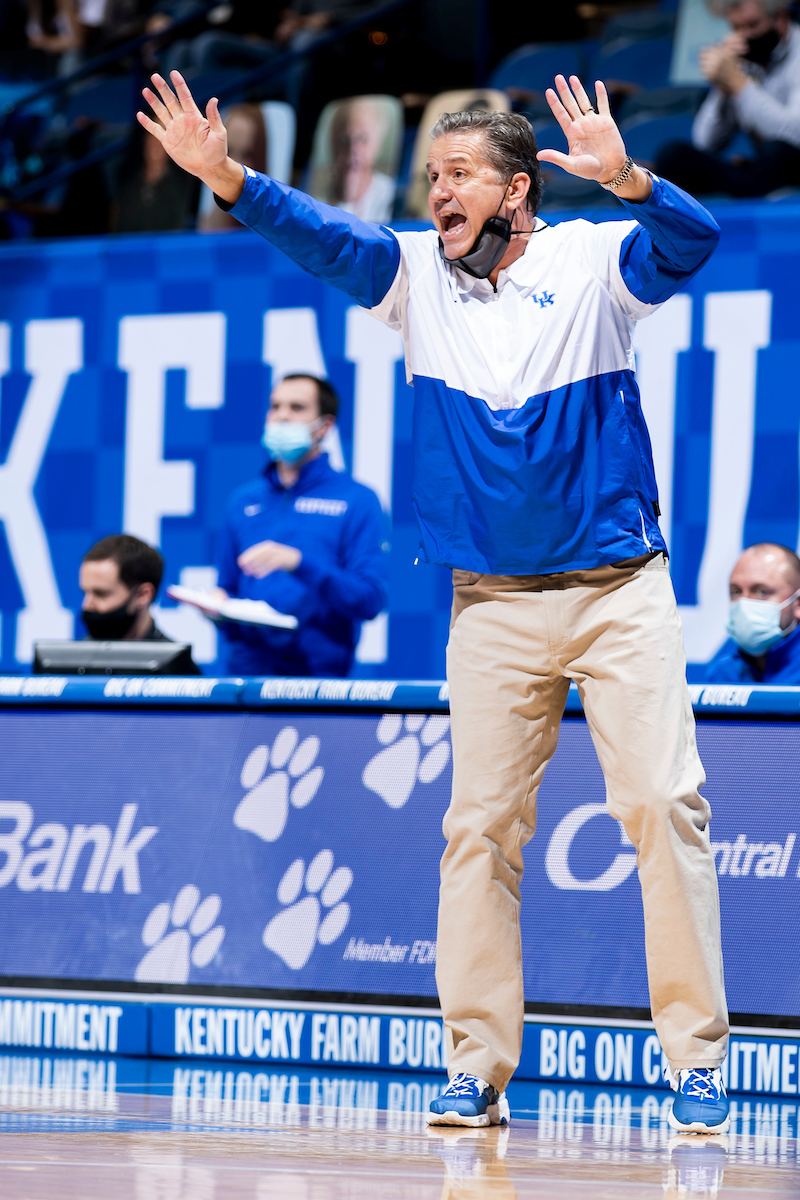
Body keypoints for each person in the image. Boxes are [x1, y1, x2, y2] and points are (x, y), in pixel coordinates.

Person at [138, 69, 730, 1134]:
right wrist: (223, 174)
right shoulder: (416, 276)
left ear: (514, 193)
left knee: (659, 809)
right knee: (477, 834)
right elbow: (319, 234)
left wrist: (630, 180)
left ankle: (692, 1060)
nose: (435, 191)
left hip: (615, 592)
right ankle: (475, 1065)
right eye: (427, 176)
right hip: (491, 607)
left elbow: (692, 243)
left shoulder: (594, 259)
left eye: (456, 174)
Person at [212, 373, 387, 677]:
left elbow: (369, 600)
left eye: (296, 408)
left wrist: (298, 563)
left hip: (317, 683)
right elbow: (227, 587)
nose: (281, 416)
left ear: (325, 426)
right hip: (244, 679)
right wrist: (216, 608)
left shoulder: (358, 500)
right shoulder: (243, 500)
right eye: (275, 406)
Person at [656, 0, 800, 197]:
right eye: (737, 28)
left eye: (752, 25)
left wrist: (739, 83)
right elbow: (705, 142)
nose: (745, 36)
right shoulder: (747, 58)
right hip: (762, 173)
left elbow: (793, 135)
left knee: (776, 153)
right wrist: (723, 84)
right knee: (674, 157)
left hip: (791, 164)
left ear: (781, 18)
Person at [79, 533, 201, 673]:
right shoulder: (73, 663)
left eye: (101, 594)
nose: (87, 605)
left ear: (143, 595)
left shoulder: (176, 669)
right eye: (85, 593)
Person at [705, 542, 800, 681]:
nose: (744, 603)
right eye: (736, 591)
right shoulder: (723, 674)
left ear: (797, 604)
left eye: (762, 592)